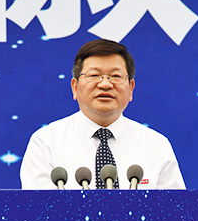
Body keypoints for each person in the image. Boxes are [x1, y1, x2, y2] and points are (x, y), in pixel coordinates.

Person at [20, 39, 185, 190]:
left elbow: (174, 209)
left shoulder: (156, 145)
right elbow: (37, 208)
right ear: (75, 87)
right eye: (93, 75)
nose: (105, 84)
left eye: (116, 76)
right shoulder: (46, 142)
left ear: (131, 88)